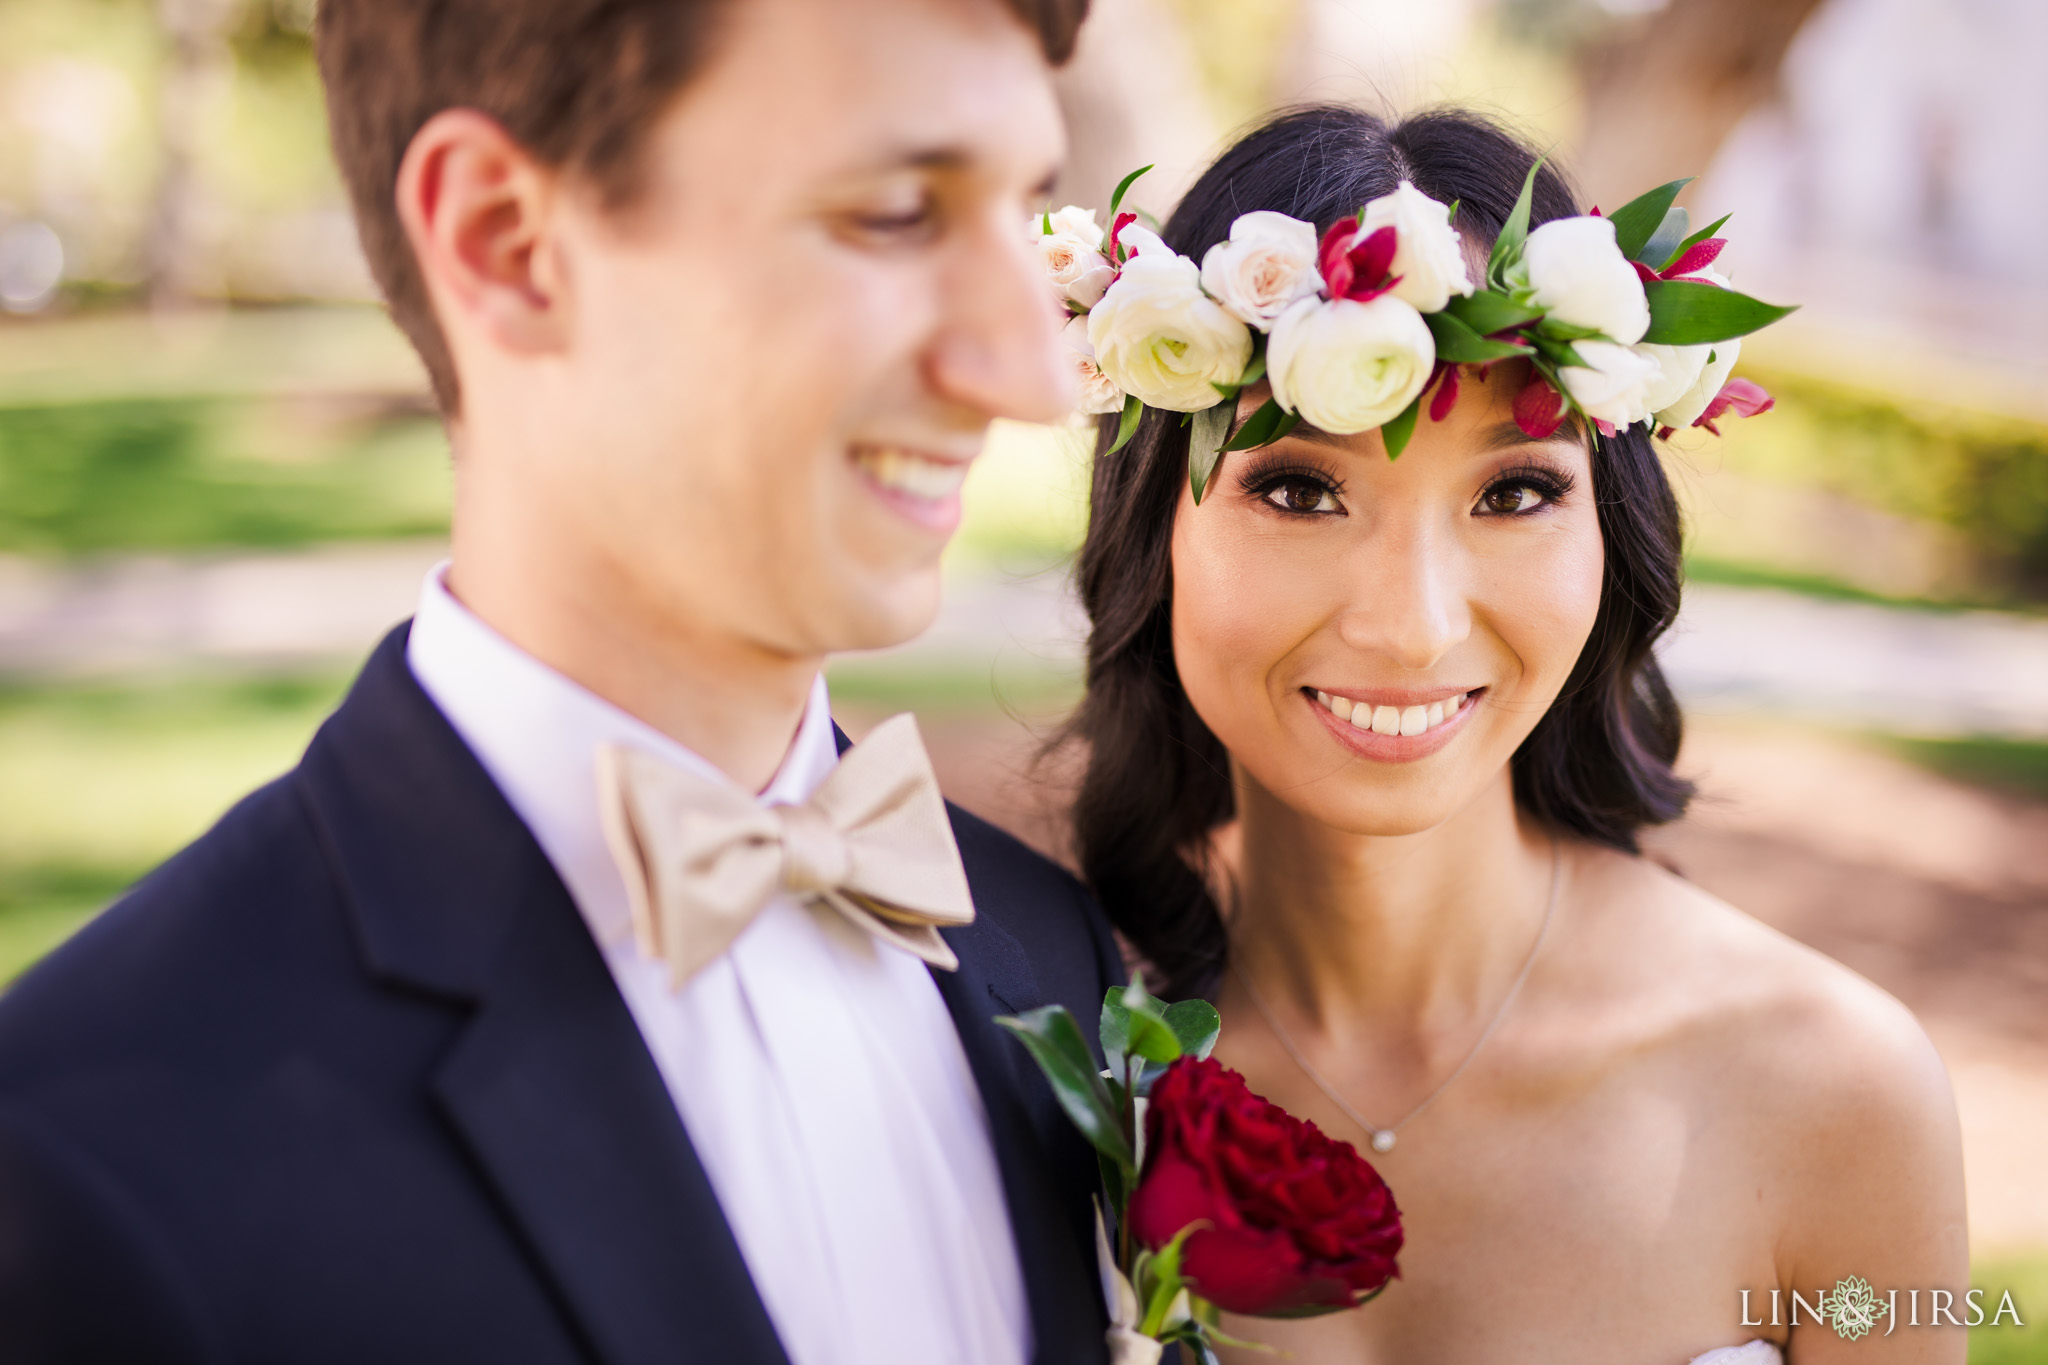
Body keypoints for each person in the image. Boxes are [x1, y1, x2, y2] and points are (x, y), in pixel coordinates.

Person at [0, 1, 1126, 1362]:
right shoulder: (85, 1165)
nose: (1034, 374)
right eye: (896, 212)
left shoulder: (1053, 960)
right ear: (506, 243)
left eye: (1025, 208)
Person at [1067, 106, 1967, 1364]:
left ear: (1612, 531)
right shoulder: (1036, 1045)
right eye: (1295, 488)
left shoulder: (1829, 1091)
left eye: (1516, 490)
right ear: (1150, 524)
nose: (1411, 628)